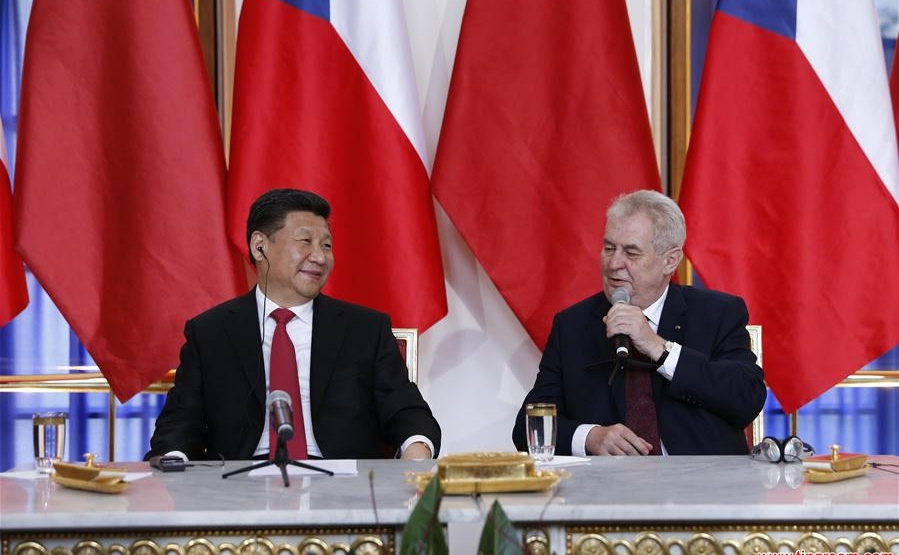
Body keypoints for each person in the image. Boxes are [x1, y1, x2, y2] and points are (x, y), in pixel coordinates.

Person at [147, 189, 440, 461]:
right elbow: (180, 424)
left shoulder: (365, 329)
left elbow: (406, 410)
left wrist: (416, 452)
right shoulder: (210, 332)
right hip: (239, 488)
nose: (320, 256)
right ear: (260, 247)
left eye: (326, 245)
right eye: (305, 242)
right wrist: (175, 462)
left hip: (342, 488)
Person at [512, 190, 765, 456]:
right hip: (610, 490)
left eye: (631, 253)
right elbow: (527, 428)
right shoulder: (573, 325)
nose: (613, 263)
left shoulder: (718, 313)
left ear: (670, 261)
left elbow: (746, 398)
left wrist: (660, 348)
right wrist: (589, 437)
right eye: (609, 248)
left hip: (700, 488)